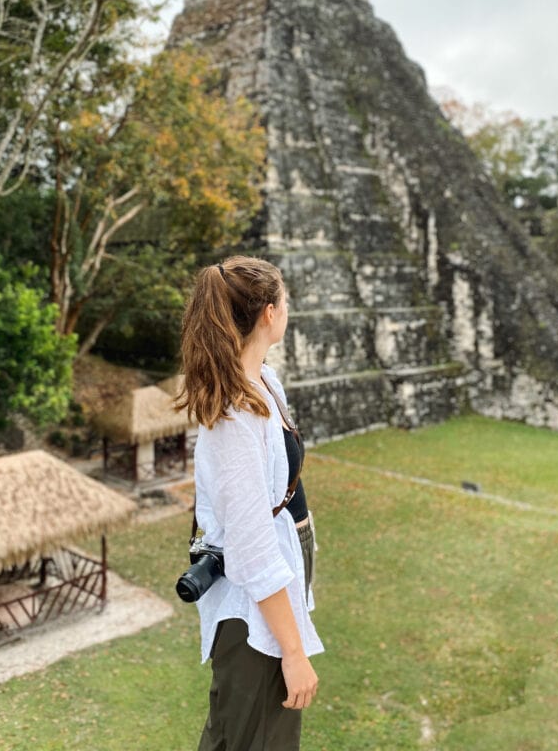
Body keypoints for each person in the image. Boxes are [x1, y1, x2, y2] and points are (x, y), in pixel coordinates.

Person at [176, 255, 323, 751]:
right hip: (253, 618)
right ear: (267, 313)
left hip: (272, 605)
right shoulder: (236, 417)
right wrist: (294, 651)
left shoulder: (263, 383)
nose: (287, 309)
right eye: (284, 301)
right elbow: (252, 549)